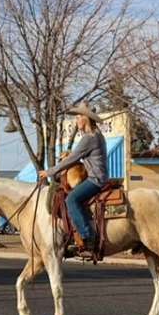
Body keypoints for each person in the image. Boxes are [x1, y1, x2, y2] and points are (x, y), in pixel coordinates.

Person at [38, 102, 108, 254]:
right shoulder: (97, 136)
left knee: (71, 199)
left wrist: (49, 172)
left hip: (95, 180)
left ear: (85, 119)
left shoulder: (89, 138)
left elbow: (72, 159)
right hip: (99, 177)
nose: (76, 121)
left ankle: (88, 237)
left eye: (78, 117)